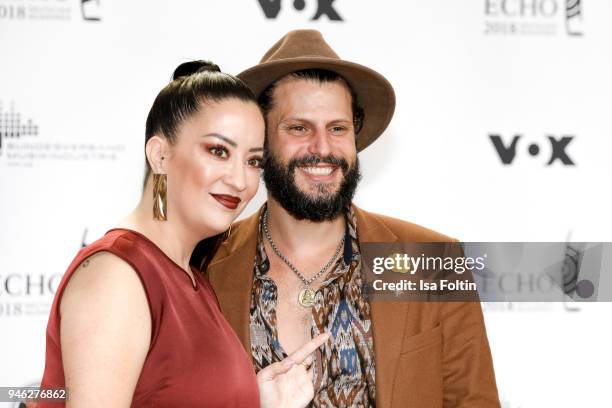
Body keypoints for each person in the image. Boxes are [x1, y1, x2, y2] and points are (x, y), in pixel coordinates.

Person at [204, 30, 501, 407]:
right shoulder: (205, 263)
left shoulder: (434, 262)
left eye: (337, 128)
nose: (323, 148)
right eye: (299, 128)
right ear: (260, 141)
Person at [38, 60, 328, 408]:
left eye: (253, 162)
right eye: (218, 151)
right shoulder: (118, 275)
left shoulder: (192, 278)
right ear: (160, 155)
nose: (240, 180)